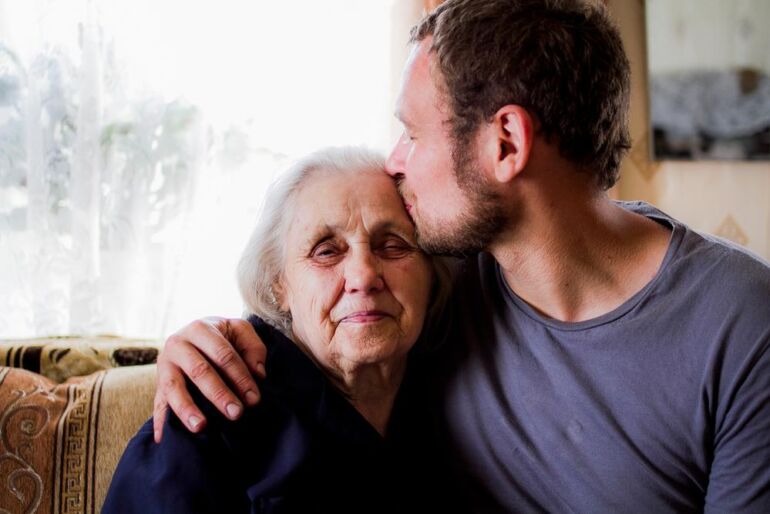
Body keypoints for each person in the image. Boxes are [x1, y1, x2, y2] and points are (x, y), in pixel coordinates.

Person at [154, 1, 770, 512]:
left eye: (414, 134)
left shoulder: (742, 324)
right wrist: (201, 342)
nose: (394, 160)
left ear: (506, 142)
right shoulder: (439, 284)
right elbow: (323, 307)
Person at [103, 147, 455, 513]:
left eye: (393, 245)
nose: (363, 276)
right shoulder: (212, 414)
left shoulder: (460, 396)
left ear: (431, 273)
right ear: (278, 285)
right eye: (326, 251)